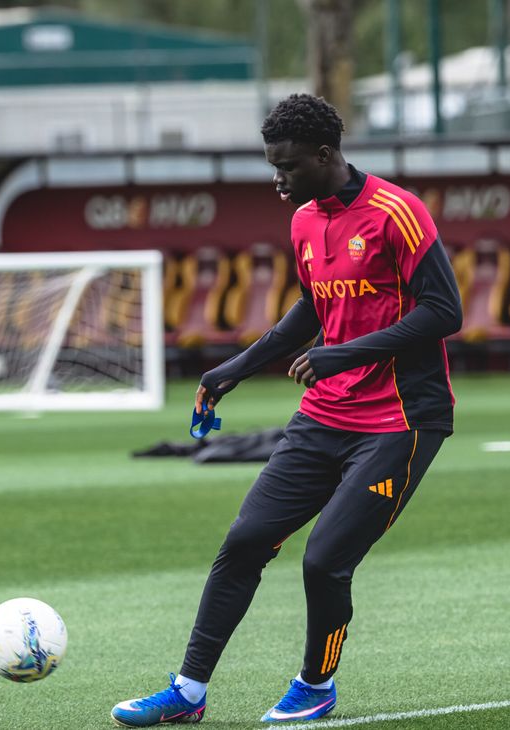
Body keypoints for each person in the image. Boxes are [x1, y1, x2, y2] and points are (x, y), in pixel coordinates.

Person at [111, 93, 462, 727]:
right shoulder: (304, 219)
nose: (279, 179)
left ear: (325, 155)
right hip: (326, 415)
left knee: (325, 560)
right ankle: (187, 692)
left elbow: (445, 312)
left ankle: (315, 686)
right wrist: (234, 370)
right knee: (244, 542)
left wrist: (342, 352)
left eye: (289, 165)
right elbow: (311, 309)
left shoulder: (397, 214)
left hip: (400, 421)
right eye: (273, 165)